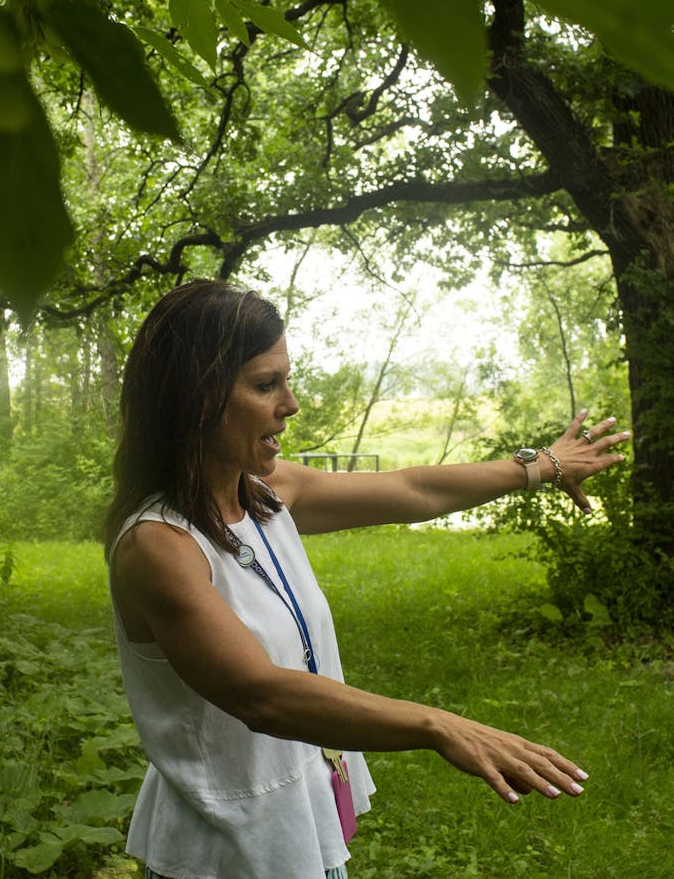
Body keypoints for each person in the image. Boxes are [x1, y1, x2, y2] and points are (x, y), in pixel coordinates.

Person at [104, 280, 631, 879]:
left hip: (293, 828)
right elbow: (259, 694)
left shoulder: (267, 497)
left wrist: (542, 467)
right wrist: (438, 726)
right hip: (221, 853)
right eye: (264, 384)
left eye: (286, 379)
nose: (291, 403)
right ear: (197, 399)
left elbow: (415, 489)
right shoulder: (160, 546)